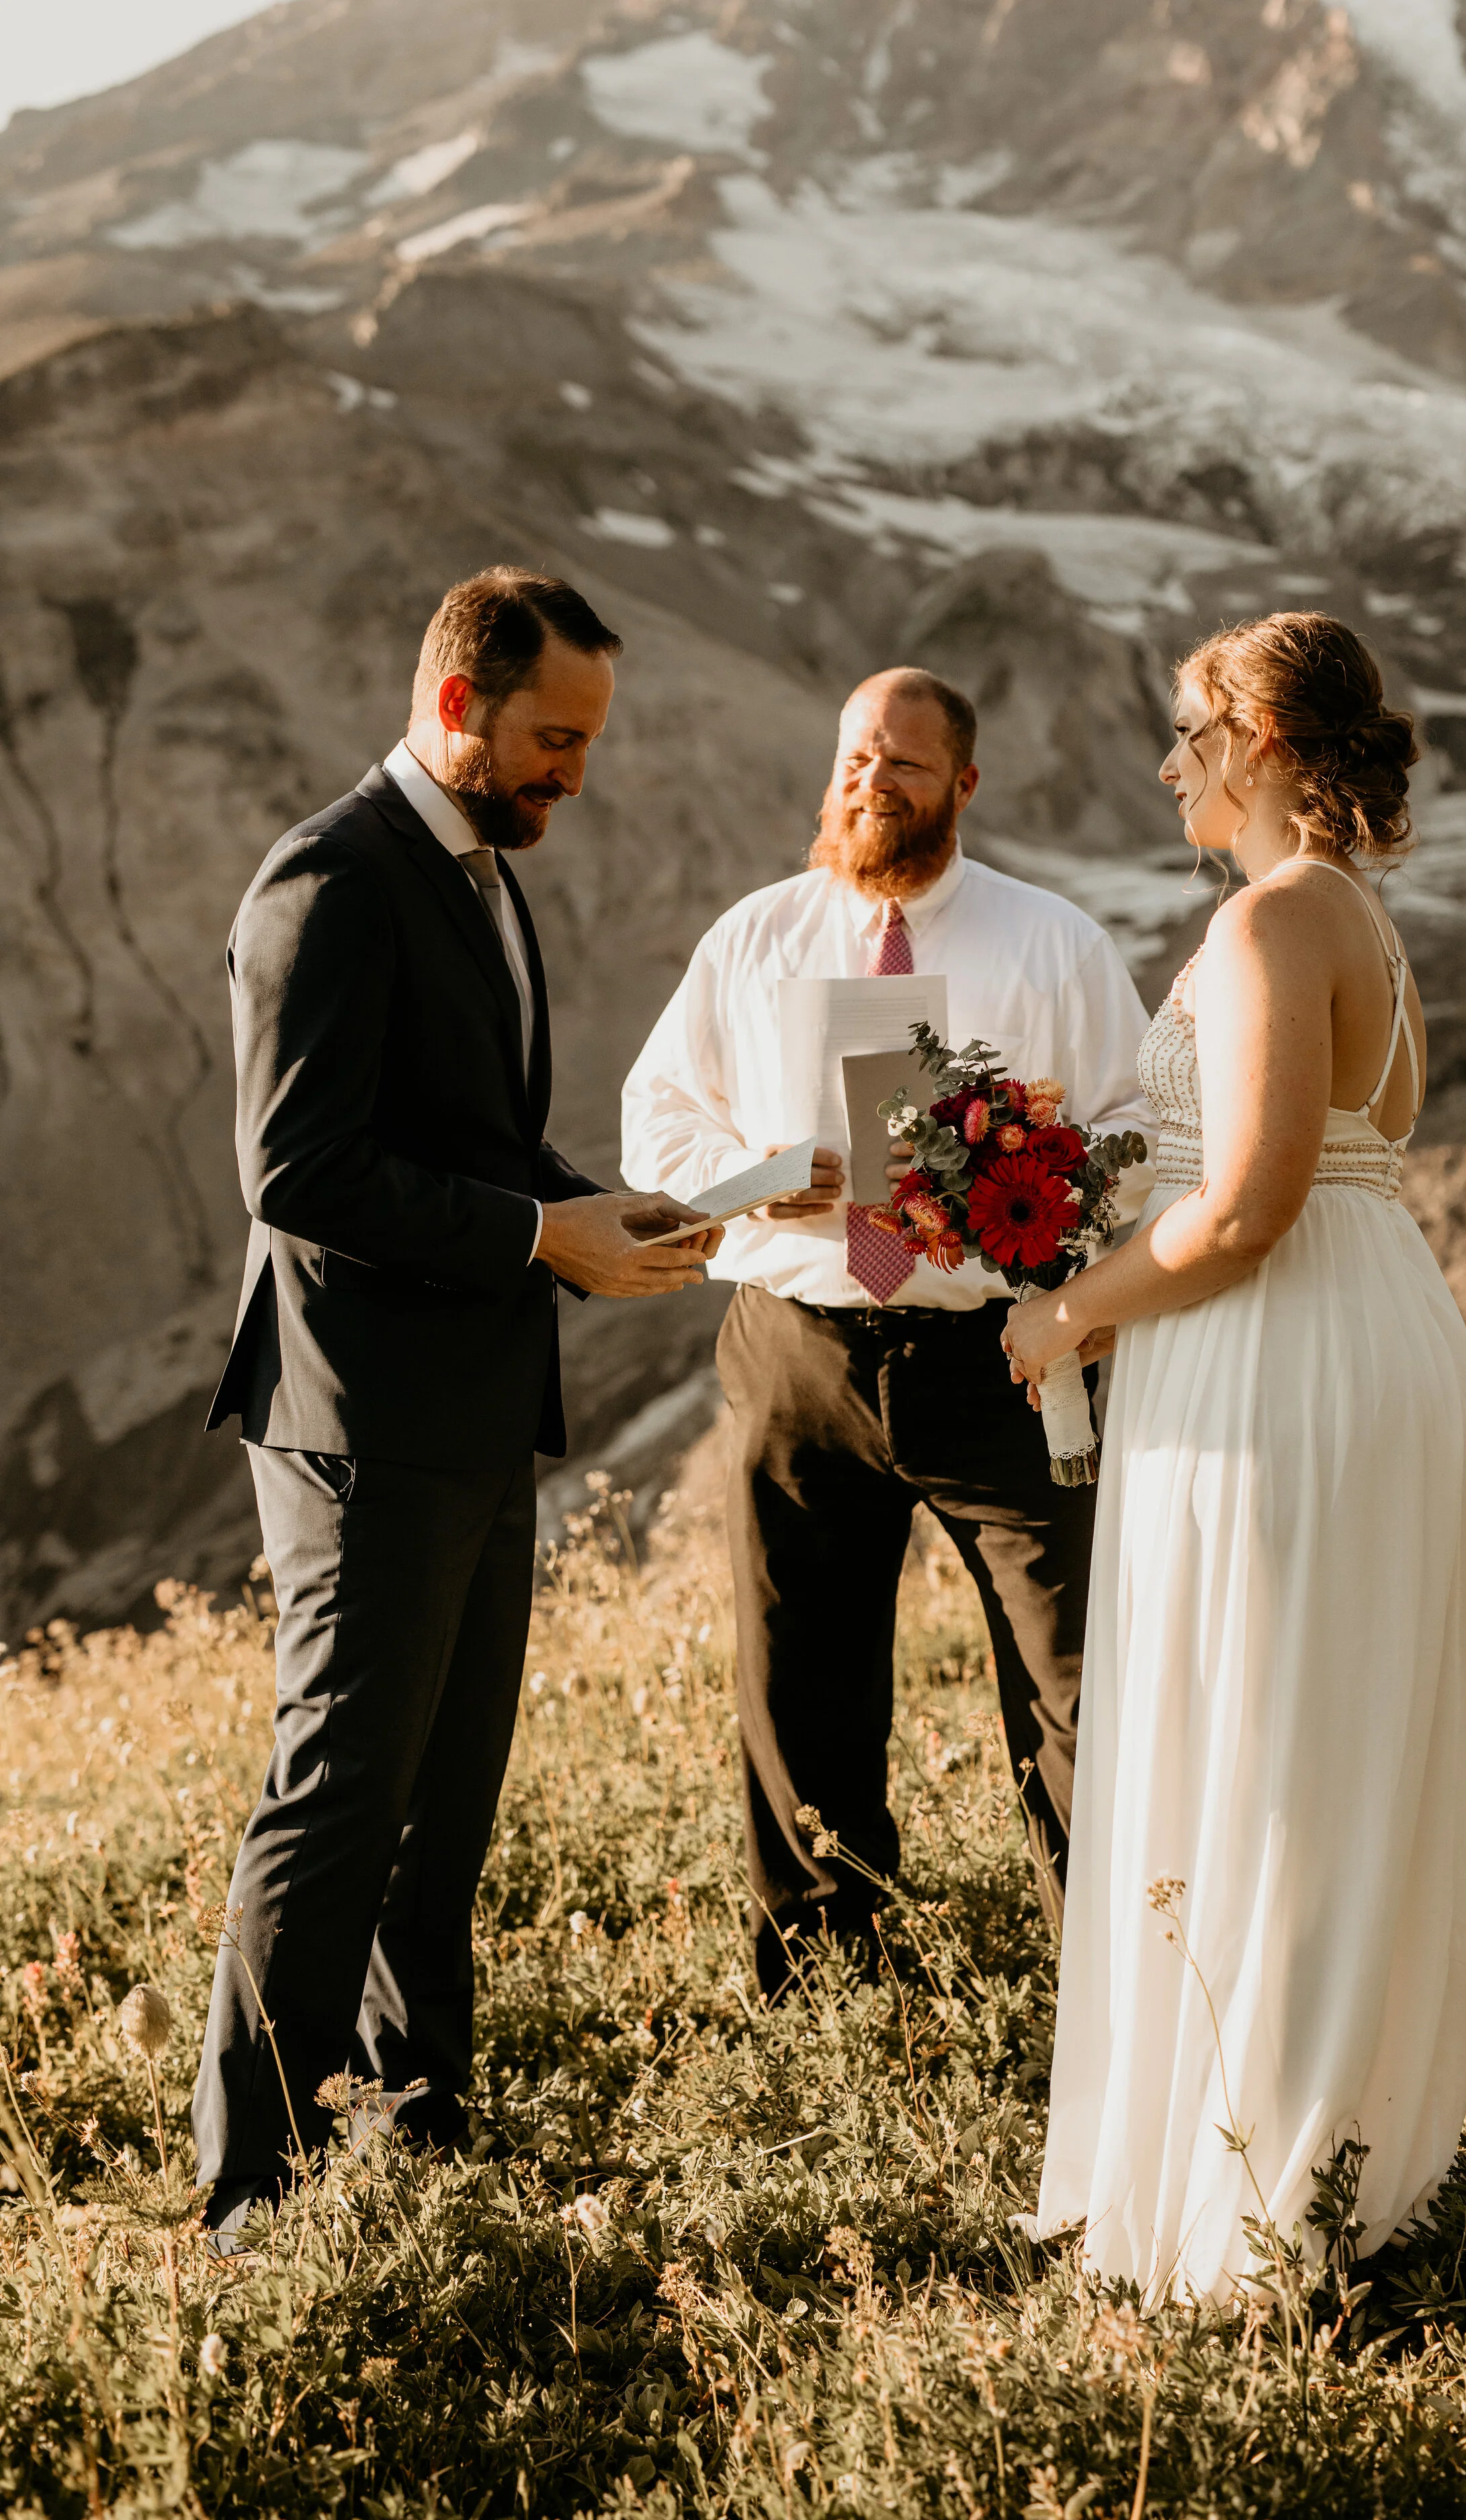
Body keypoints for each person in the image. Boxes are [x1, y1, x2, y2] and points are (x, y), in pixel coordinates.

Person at [194, 566, 718, 2247]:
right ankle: (248, 2203)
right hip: (360, 1422)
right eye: (553, 739)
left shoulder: (483, 868)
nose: (577, 772)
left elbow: (464, 1143)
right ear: (455, 708)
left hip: (480, 1412)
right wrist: (529, 1235)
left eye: (588, 741)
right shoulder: (327, 881)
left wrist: (594, 1211)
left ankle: (417, 2148)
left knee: (448, 1804)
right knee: (343, 1790)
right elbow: (297, 1170)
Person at [1004, 613, 1466, 2301]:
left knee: (1267, 1733)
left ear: (1267, 741)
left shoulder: (1276, 917)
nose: (1167, 767)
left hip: (1282, 1353)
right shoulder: (1353, 919)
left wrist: (1067, 1312)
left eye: (1189, 734)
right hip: (1358, 1335)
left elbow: (1243, 1206)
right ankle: (1324, 2146)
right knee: (1314, 1730)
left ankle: (1263, 2190)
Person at [621, 667, 1156, 1997]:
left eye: (903, 767)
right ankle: (826, 1988)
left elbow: (1137, 1135)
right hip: (795, 1349)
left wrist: (1019, 1178)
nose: (869, 784)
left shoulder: (1053, 944)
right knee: (799, 1677)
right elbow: (654, 1124)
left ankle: (1114, 1987)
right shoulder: (751, 939)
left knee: (1069, 1674)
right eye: (856, 758)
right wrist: (762, 1168)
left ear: (961, 787)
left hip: (998, 1360)